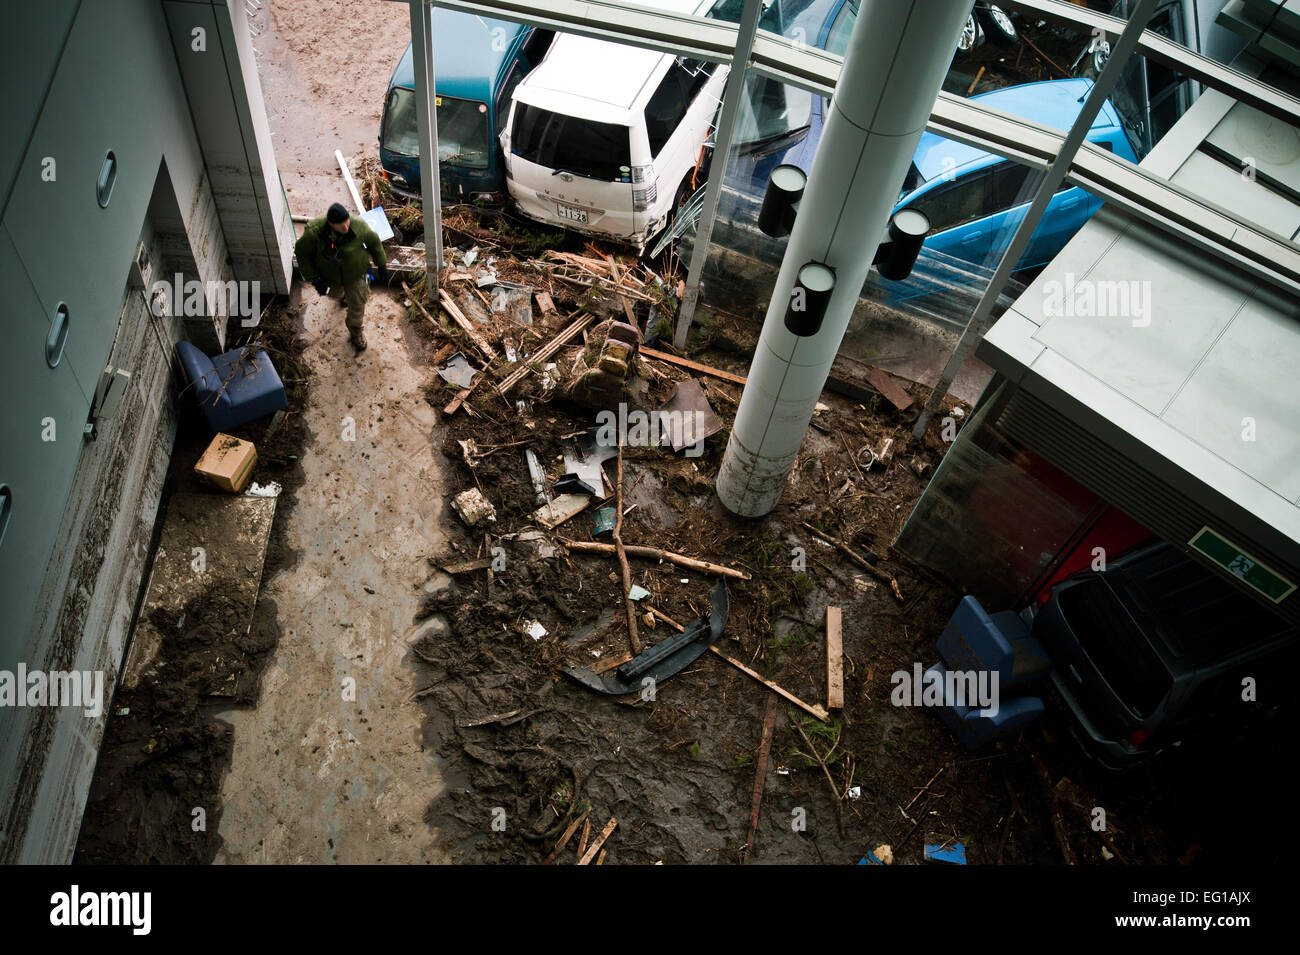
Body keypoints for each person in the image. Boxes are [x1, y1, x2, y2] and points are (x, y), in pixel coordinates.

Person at [295, 202, 387, 352]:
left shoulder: (358, 225)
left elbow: (374, 242)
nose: (345, 227)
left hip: (355, 274)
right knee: (334, 294)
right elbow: (302, 254)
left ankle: (355, 331)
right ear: (331, 223)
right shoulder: (315, 232)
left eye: (346, 221)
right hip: (329, 276)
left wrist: (382, 264)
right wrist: (313, 277)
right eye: (340, 224)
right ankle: (342, 297)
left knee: (358, 303)